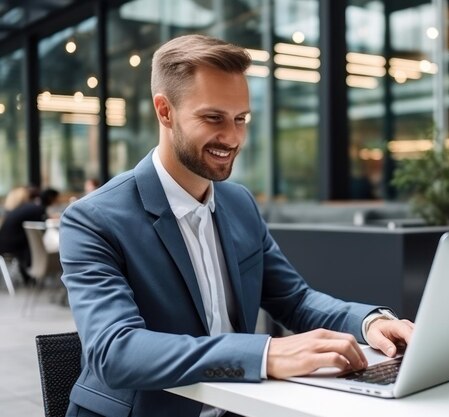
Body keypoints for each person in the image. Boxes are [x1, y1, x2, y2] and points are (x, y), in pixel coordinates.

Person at [59, 34, 413, 417]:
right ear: (165, 111)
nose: (232, 137)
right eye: (213, 118)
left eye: (240, 119)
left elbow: (294, 300)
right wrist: (264, 354)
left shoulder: (239, 202)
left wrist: (368, 321)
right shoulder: (93, 219)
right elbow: (115, 352)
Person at [0, 187, 59, 284]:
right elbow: (42, 227)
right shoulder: (35, 209)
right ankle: (33, 276)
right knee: (40, 245)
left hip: (6, 244)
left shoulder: (20, 210)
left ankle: (30, 278)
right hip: (11, 247)